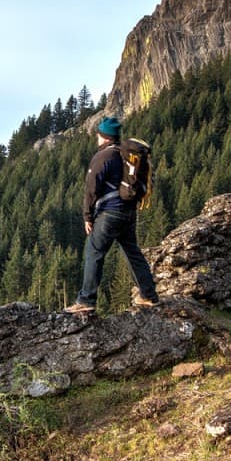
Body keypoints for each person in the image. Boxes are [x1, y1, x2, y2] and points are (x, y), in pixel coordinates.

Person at [65, 116, 158, 314]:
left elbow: (91, 188)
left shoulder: (103, 156)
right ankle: (148, 295)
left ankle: (86, 300)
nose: (97, 139)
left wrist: (87, 216)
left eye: (98, 135)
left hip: (109, 214)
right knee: (132, 252)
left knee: (94, 252)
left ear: (104, 137)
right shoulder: (125, 155)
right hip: (129, 212)